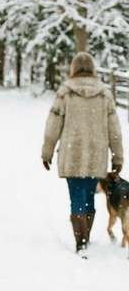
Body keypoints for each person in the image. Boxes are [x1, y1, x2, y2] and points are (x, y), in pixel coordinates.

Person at [42, 52, 124, 257]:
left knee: (76, 199)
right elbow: (115, 130)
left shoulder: (65, 92)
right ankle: (85, 238)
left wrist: (47, 151)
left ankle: (81, 242)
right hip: (96, 156)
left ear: (73, 68)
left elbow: (53, 125)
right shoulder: (104, 93)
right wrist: (118, 157)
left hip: (72, 155)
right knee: (89, 198)